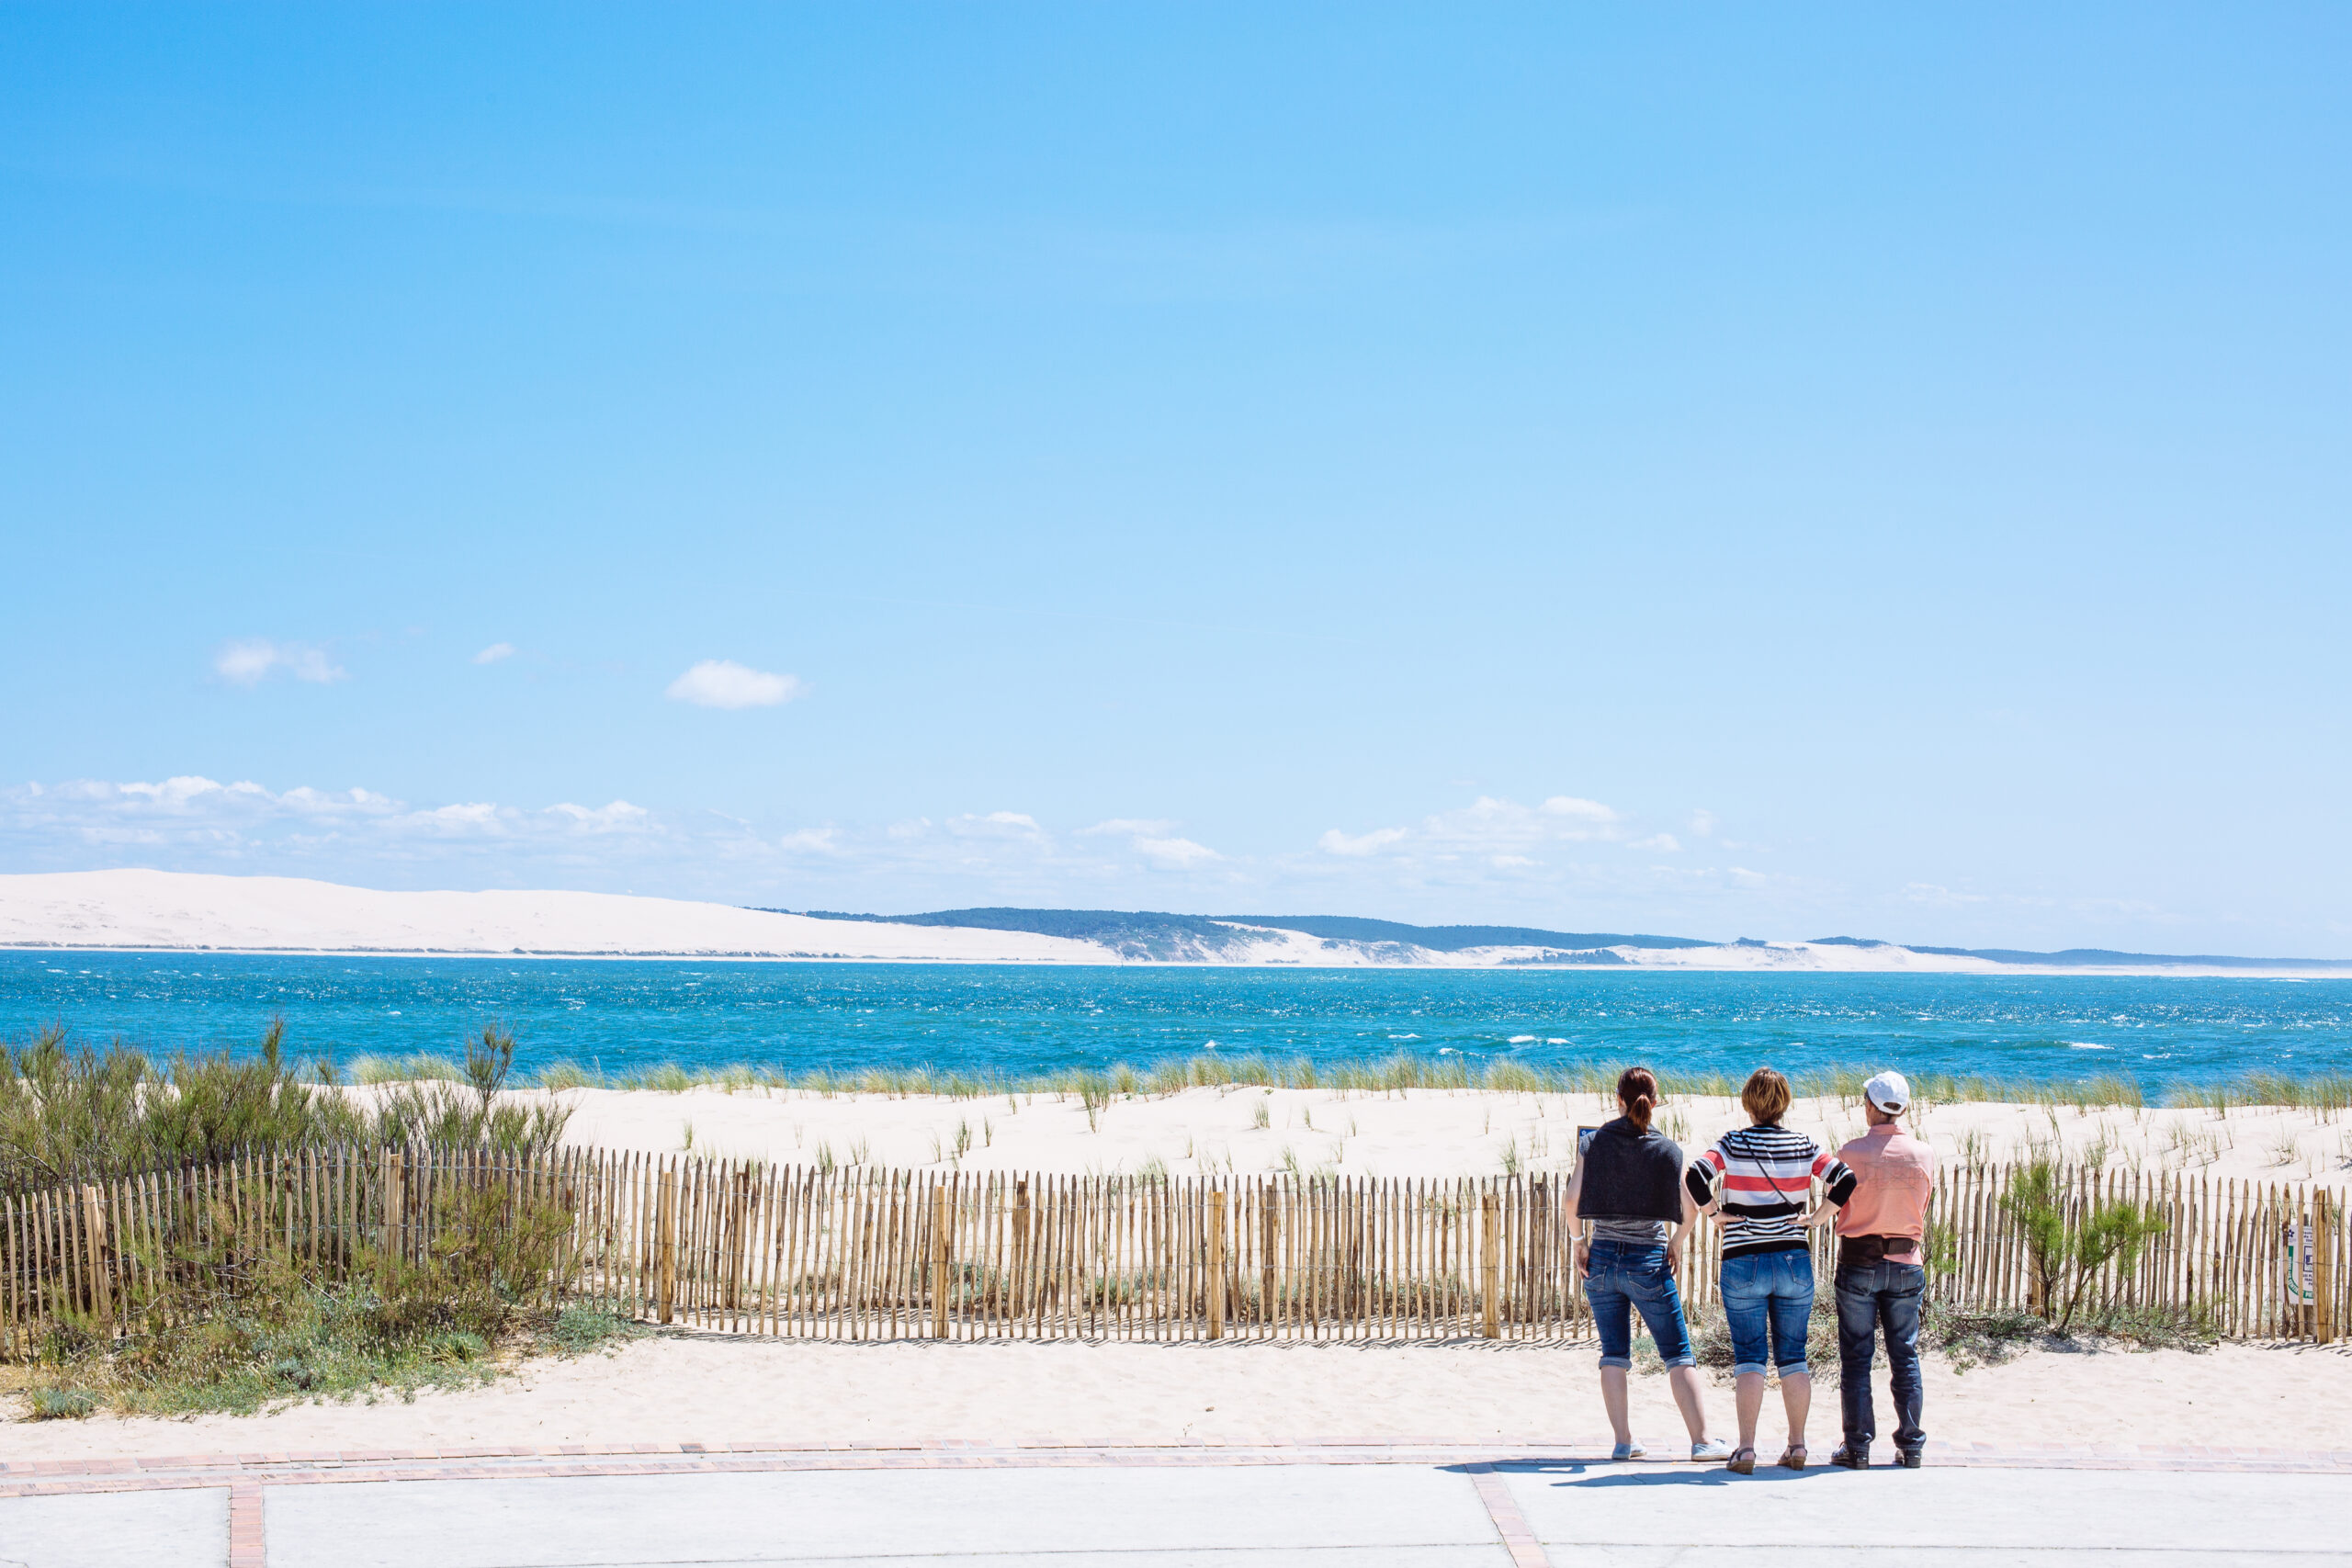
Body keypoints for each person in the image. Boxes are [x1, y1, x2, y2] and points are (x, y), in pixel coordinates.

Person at [1687, 1067, 1854, 1472]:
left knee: (1749, 1357)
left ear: (1748, 1102)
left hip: (1743, 1257)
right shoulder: (1803, 1144)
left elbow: (1694, 1175)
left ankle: (1745, 1449)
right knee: (1793, 1355)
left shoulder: (1731, 1143)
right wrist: (1816, 1218)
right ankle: (1797, 1445)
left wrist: (1714, 1213)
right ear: (1784, 1103)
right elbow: (1845, 1179)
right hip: (1792, 1258)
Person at [1566, 1066, 1727, 1462]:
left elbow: (1572, 1200)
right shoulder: (1667, 1150)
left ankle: (1623, 1442)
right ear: (1656, 1103)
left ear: (1617, 1100)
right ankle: (1702, 1440)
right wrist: (1675, 1243)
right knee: (1677, 1352)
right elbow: (1689, 1209)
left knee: (1614, 1353)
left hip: (1602, 1258)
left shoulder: (1594, 1142)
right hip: (1647, 1261)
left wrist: (1578, 1242)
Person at [1822, 1069, 1935, 1469]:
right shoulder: (1924, 1154)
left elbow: (1836, 1203)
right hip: (1906, 1262)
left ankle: (1858, 1446)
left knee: (1856, 1357)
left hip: (1859, 1261)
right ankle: (1911, 1444)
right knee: (1904, 1354)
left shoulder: (1850, 1152)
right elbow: (1922, 1207)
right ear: (1903, 1108)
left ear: (1870, 1105)